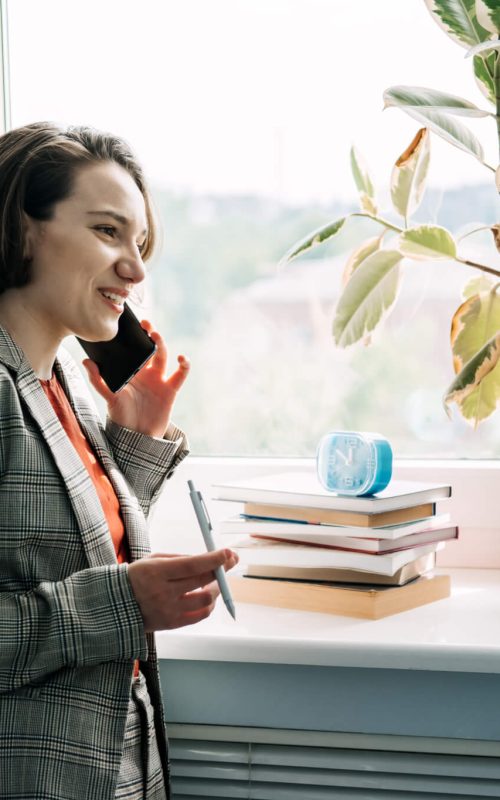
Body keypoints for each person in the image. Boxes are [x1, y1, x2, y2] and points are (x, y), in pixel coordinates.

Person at [0, 121, 238, 800]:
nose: (136, 268)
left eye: (139, 243)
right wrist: (124, 603)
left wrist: (130, 445)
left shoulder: (67, 386)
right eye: (108, 233)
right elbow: (99, 594)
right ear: (21, 230)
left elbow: (47, 543)